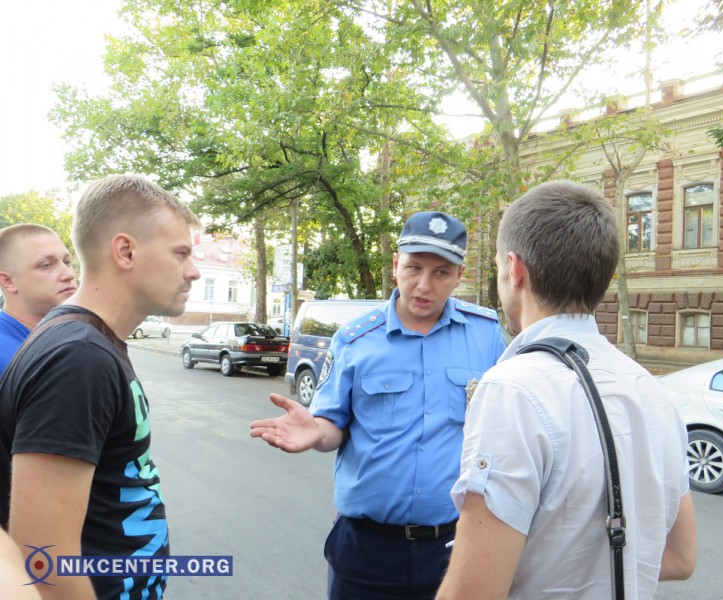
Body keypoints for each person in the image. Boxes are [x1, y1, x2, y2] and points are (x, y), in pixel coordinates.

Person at [436, 181, 697, 600]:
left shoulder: (513, 389)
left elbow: (472, 593)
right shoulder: (651, 391)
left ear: (514, 269)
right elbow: (681, 557)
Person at [251, 211, 507, 599]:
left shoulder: (487, 336)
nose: (423, 284)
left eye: (441, 272)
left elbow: (503, 429)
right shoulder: (355, 340)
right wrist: (316, 430)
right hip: (365, 550)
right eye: (414, 267)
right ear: (395, 265)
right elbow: (331, 425)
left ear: (459, 274)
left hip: (454, 547)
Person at [0, 174, 202, 600]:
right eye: (180, 253)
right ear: (125, 250)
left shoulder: (88, 342)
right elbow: (43, 560)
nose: (193, 271)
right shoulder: (78, 357)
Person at [0, 224, 77, 373]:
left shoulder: (81, 337)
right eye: (47, 265)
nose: (69, 274)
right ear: (8, 281)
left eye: (67, 262)